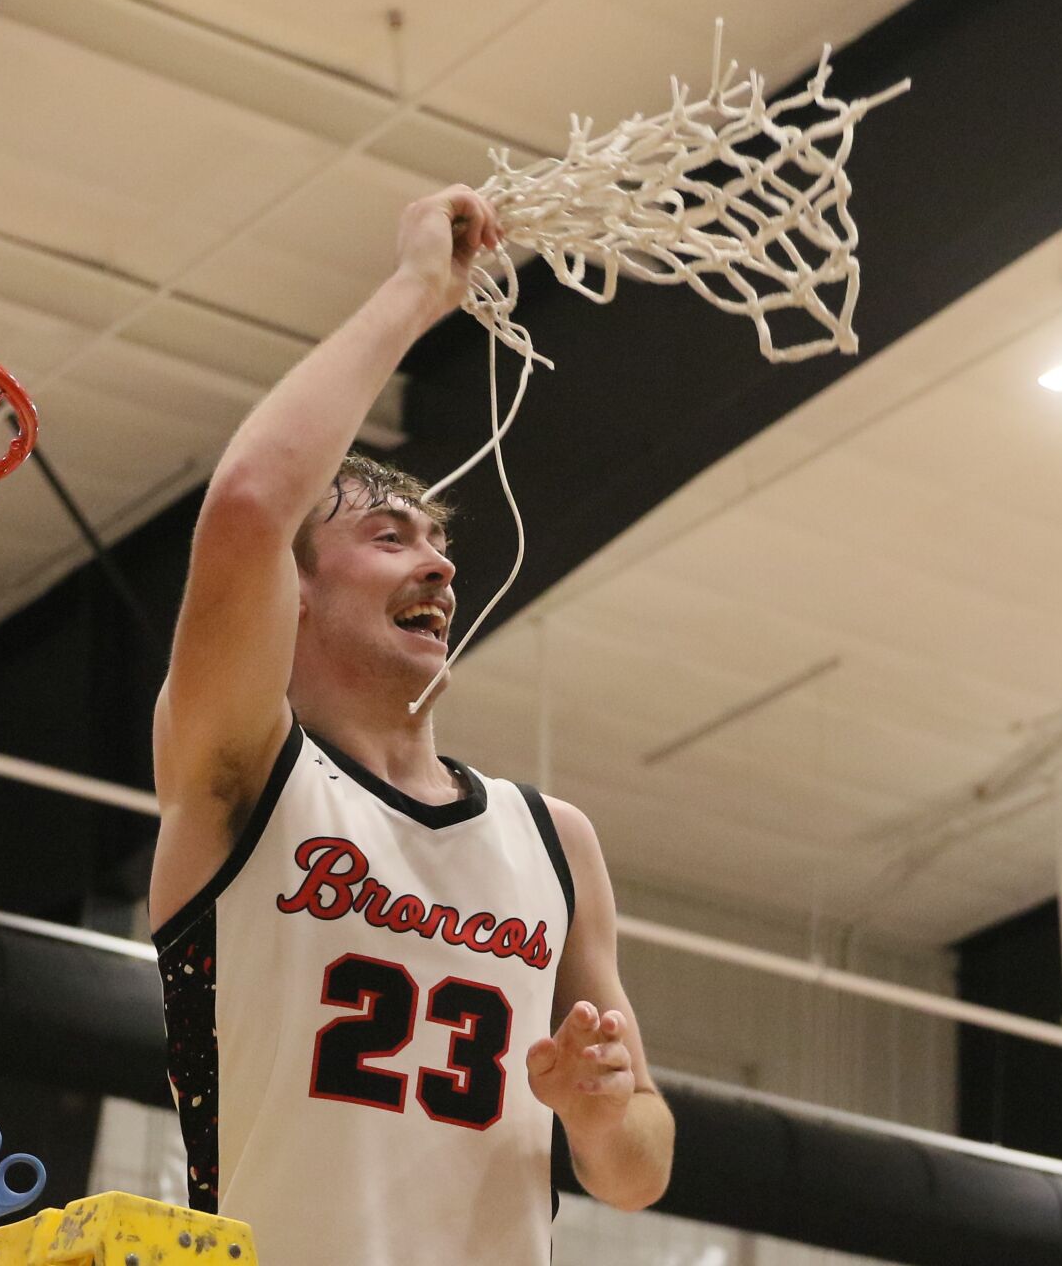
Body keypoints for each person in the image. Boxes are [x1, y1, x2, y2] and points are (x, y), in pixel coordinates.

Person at [149, 184, 673, 1265]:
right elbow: (250, 502)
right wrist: (416, 288)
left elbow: (638, 1170)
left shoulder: (551, 838)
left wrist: (599, 1108)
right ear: (290, 597)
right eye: (388, 537)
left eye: (437, 543)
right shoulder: (243, 769)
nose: (437, 561)